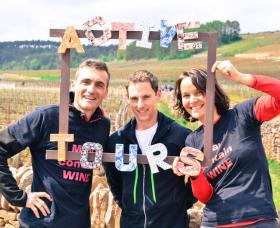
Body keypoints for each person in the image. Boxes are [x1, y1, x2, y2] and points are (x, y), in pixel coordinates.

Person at [0, 59, 111, 227]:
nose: (91, 89)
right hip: (40, 223)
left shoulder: (103, 125)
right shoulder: (46, 117)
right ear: (74, 84)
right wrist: (19, 197)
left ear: (106, 91)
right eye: (86, 82)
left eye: (99, 85)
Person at [172, 60, 279, 227]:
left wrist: (241, 77)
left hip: (257, 220)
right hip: (215, 222)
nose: (192, 100)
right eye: (186, 95)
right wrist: (195, 175)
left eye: (198, 92)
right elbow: (205, 196)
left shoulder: (243, 115)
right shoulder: (193, 140)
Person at [104, 70, 196, 228]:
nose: (140, 105)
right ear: (127, 98)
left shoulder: (181, 136)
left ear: (158, 94)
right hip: (131, 224)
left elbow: (196, 177)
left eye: (146, 97)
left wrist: (177, 206)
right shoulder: (116, 140)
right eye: (134, 98)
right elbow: (115, 183)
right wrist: (130, 207)